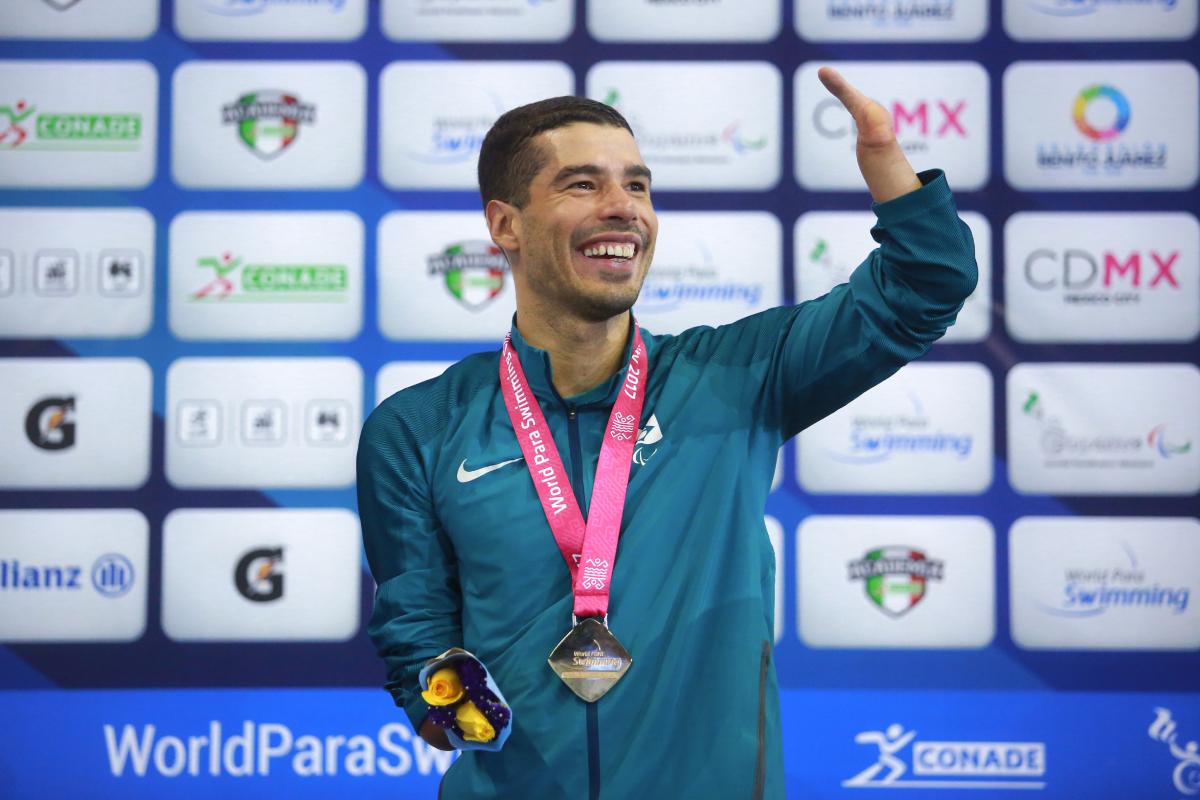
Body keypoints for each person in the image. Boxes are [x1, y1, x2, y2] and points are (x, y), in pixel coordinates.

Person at [358, 67, 977, 800]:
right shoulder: (418, 428)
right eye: (583, 185)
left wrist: (885, 164)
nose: (624, 209)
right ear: (505, 224)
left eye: (639, 186)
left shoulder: (737, 376)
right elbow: (419, 643)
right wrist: (449, 699)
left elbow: (923, 289)